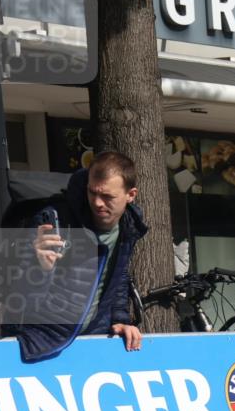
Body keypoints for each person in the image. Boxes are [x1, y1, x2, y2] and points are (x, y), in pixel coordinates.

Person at [8, 151, 147, 362]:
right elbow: (19, 298)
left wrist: (120, 319)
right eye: (92, 192)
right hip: (44, 344)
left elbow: (117, 277)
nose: (98, 202)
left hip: (94, 341)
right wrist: (39, 268)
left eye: (107, 196)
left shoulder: (129, 225)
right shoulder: (52, 220)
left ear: (131, 195)